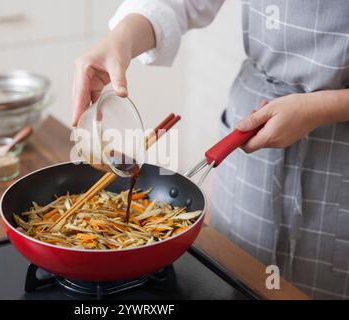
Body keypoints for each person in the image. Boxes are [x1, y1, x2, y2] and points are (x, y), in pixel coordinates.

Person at [71, 0, 349, 299]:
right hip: (257, 112)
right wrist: (122, 38)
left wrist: (323, 108)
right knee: (238, 274)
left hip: (339, 150)